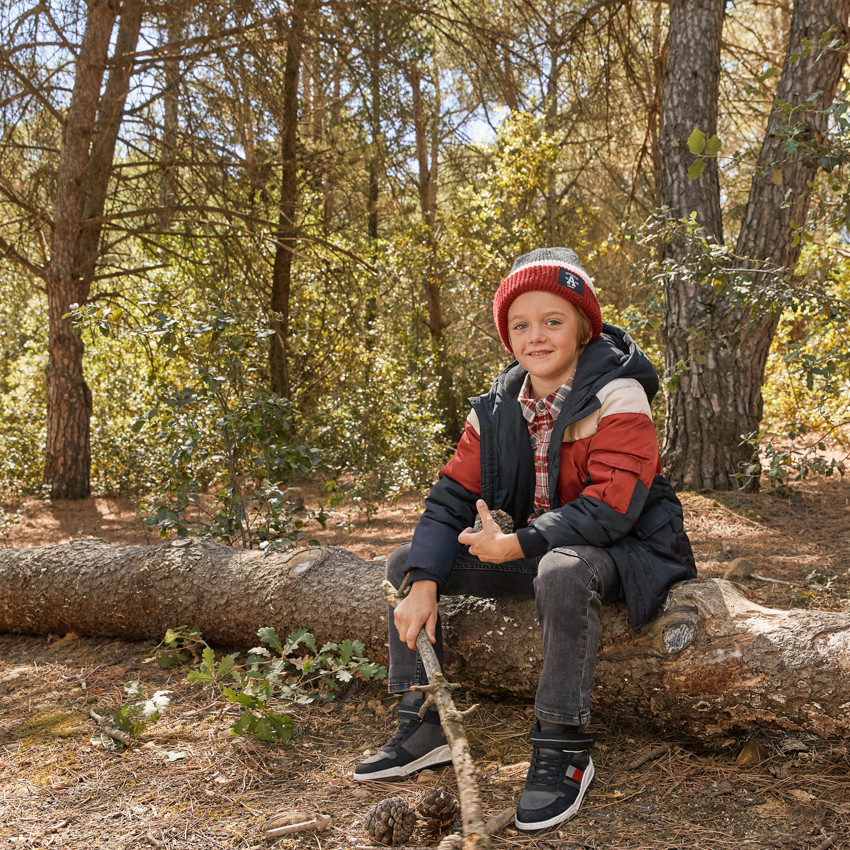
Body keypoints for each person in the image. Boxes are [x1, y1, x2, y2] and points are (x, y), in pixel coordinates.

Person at [353, 247, 696, 832]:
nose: (536, 336)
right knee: (407, 560)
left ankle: (562, 743)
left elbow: (611, 506)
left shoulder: (618, 393)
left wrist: (520, 543)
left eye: (553, 321)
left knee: (563, 569)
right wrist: (426, 580)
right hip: (544, 549)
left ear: (584, 327)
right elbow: (448, 501)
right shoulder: (494, 409)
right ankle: (427, 718)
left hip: (625, 552)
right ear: (507, 335)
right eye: (521, 324)